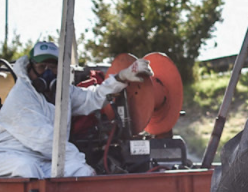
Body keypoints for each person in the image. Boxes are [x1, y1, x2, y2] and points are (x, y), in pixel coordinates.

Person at [0, 42, 153, 178]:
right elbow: (45, 140)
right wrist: (79, 159)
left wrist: (120, 78)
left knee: (81, 172)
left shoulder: (62, 93)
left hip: (46, 159)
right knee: (27, 169)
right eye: (41, 67)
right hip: (12, 155)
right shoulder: (21, 97)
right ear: (29, 68)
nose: (47, 72)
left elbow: (92, 98)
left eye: (53, 67)